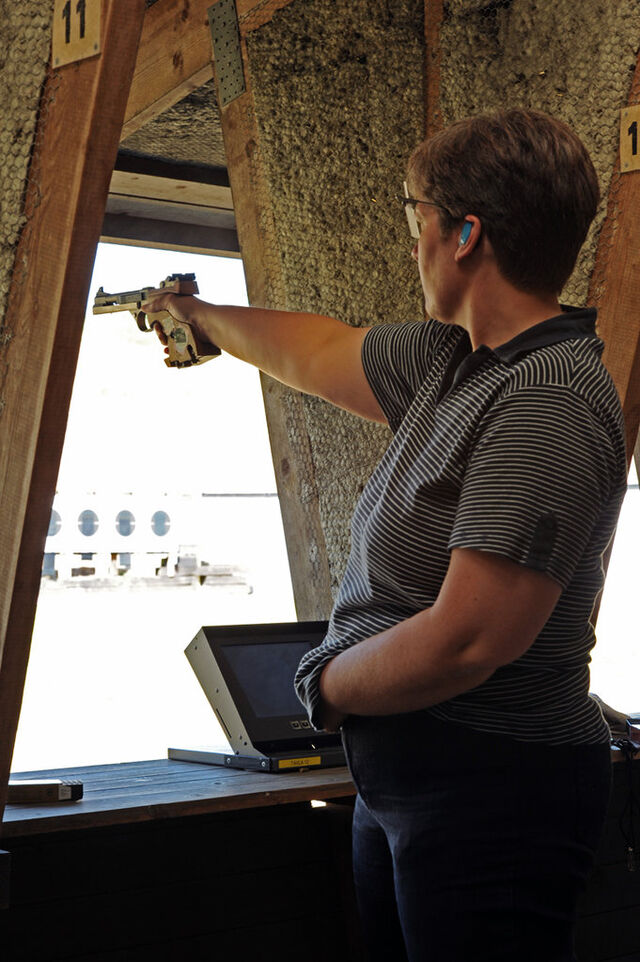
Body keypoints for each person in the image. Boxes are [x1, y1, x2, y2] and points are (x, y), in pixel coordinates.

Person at [145, 108, 628, 961]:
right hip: (415, 775)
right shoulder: (453, 362)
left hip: (494, 787)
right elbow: (315, 350)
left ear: (465, 235)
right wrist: (201, 317)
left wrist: (326, 685)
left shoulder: (545, 399)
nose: (413, 245)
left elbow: (469, 641)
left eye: (416, 217)